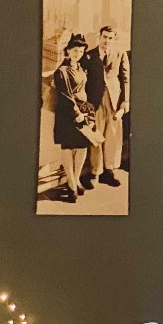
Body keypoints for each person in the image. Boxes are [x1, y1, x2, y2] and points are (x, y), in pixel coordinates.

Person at [83, 25, 130, 188]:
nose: (107, 41)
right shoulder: (89, 55)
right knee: (96, 135)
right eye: (104, 37)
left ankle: (109, 171)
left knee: (113, 135)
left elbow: (126, 79)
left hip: (114, 100)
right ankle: (95, 171)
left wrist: (126, 101)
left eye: (110, 38)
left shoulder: (120, 54)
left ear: (114, 39)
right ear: (99, 37)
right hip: (95, 101)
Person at [51, 33, 94, 202]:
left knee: (83, 145)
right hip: (68, 113)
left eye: (81, 51)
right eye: (75, 50)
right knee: (68, 147)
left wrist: (85, 111)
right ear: (67, 51)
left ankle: (75, 178)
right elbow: (66, 95)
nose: (78, 54)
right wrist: (76, 113)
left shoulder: (80, 68)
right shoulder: (62, 71)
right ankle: (71, 183)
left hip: (82, 110)